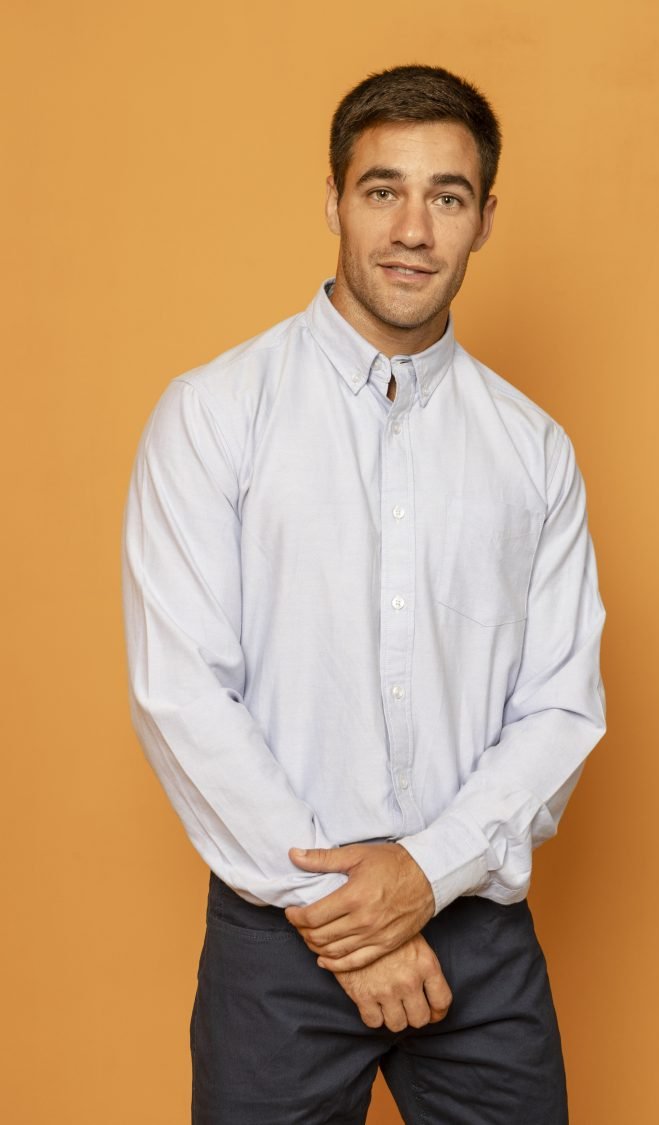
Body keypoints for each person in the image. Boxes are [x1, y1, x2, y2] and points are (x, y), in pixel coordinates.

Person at [121, 63, 606, 1125]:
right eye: (383, 190)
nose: (412, 230)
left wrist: (423, 876)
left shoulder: (534, 452)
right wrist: (348, 915)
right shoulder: (213, 415)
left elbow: (560, 710)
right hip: (279, 942)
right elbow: (182, 693)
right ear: (333, 201)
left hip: (476, 936)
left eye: (448, 196)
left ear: (485, 220)